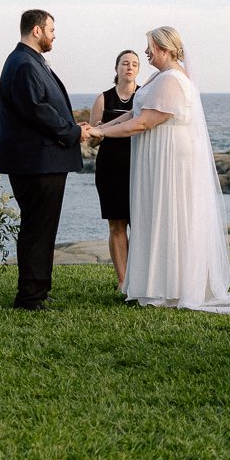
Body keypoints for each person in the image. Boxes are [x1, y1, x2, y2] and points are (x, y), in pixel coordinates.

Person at [86, 26, 230, 314]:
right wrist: (98, 128)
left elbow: (143, 123)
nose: (145, 53)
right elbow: (132, 114)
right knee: (158, 217)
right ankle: (156, 283)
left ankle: (173, 287)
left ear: (164, 49)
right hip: (158, 158)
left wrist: (101, 133)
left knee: (170, 218)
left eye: (149, 48)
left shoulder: (172, 80)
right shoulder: (159, 76)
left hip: (170, 161)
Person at [0, 9, 89, 311]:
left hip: (41, 160)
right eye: (51, 29)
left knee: (43, 228)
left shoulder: (29, 61)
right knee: (38, 228)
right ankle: (30, 297)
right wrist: (73, 132)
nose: (54, 35)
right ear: (37, 30)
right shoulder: (23, 64)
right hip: (36, 162)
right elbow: (37, 110)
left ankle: (38, 289)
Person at [89, 50, 140, 291]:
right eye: (125, 63)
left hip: (139, 167)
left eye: (134, 64)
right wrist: (98, 130)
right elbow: (91, 141)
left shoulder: (144, 96)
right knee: (116, 224)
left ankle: (140, 278)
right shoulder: (103, 99)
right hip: (110, 168)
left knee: (140, 224)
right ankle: (123, 281)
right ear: (116, 68)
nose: (129, 67)